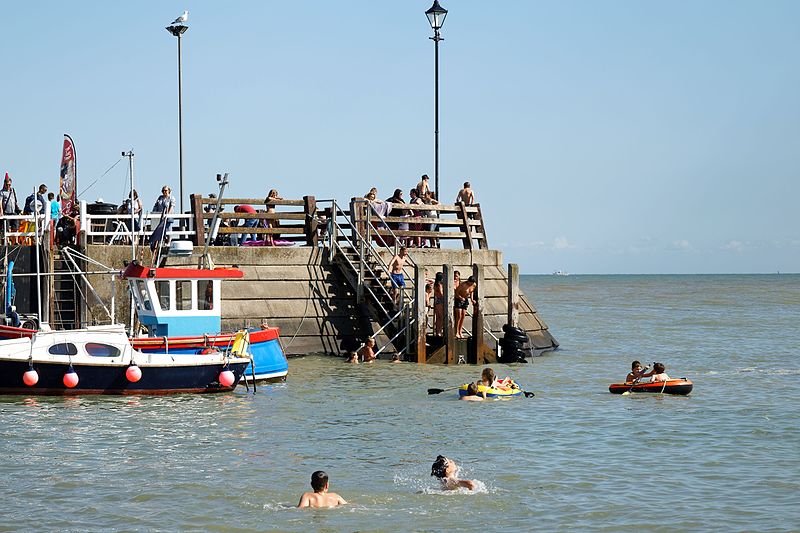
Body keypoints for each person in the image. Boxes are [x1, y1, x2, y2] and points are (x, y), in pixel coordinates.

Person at [150, 185, 176, 251]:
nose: (164, 192)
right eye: (163, 190)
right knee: (160, 229)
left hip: (168, 216)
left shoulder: (171, 198)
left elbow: (172, 207)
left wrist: (168, 214)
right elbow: (156, 205)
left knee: (168, 229)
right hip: (160, 216)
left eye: (166, 190)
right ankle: (161, 241)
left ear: (169, 191)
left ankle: (168, 242)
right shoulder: (160, 197)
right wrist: (153, 213)